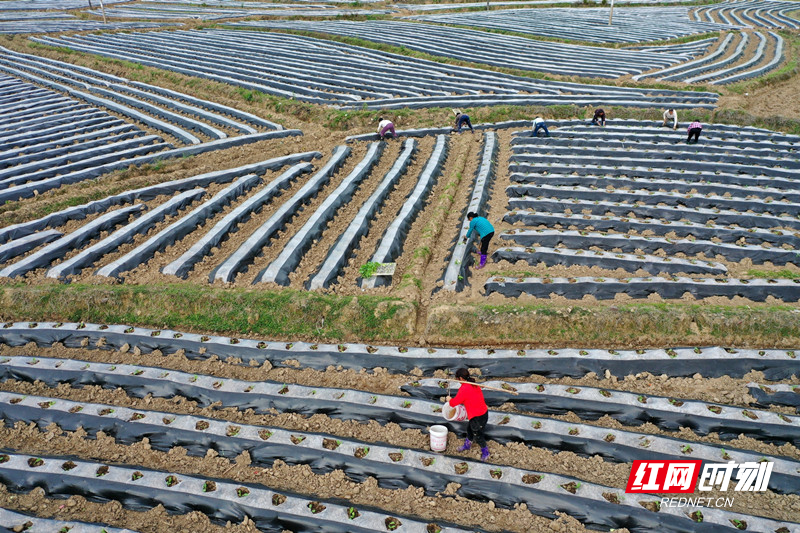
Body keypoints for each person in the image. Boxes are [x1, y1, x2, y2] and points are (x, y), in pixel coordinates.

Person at [446, 368, 490, 461]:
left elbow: (453, 403)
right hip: (479, 413)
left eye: (458, 379)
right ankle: (467, 445)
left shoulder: (464, 389)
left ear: (461, 378)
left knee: (478, 434)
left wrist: (449, 399)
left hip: (478, 416)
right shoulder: (474, 384)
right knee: (469, 429)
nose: (458, 381)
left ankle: (485, 452)